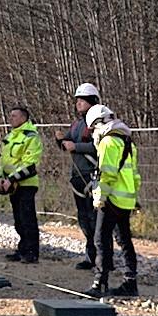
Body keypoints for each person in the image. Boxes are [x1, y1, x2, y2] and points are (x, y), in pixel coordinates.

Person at [85, 103, 140, 298]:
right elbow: (135, 176)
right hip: (126, 201)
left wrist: (99, 198)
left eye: (92, 129)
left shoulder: (107, 143)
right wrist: (135, 199)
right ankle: (130, 282)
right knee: (125, 241)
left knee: (101, 239)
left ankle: (100, 283)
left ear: (98, 124)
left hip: (111, 200)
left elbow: (106, 175)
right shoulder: (128, 142)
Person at [58, 82, 106, 270]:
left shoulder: (98, 124)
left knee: (95, 219)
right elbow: (68, 143)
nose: (78, 103)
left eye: (82, 100)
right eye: (77, 100)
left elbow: (100, 146)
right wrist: (61, 139)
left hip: (93, 176)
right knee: (84, 219)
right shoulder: (77, 124)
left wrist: (76, 147)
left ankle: (100, 258)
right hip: (78, 177)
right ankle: (90, 255)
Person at [0, 106, 42, 263]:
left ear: (23, 118)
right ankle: (22, 249)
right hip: (11, 185)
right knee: (18, 219)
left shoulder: (31, 136)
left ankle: (31, 251)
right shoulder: (10, 137)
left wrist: (12, 179)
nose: (11, 118)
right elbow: (3, 161)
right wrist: (0, 178)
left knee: (27, 218)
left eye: (14, 116)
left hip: (26, 183)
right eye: (10, 115)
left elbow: (30, 164)